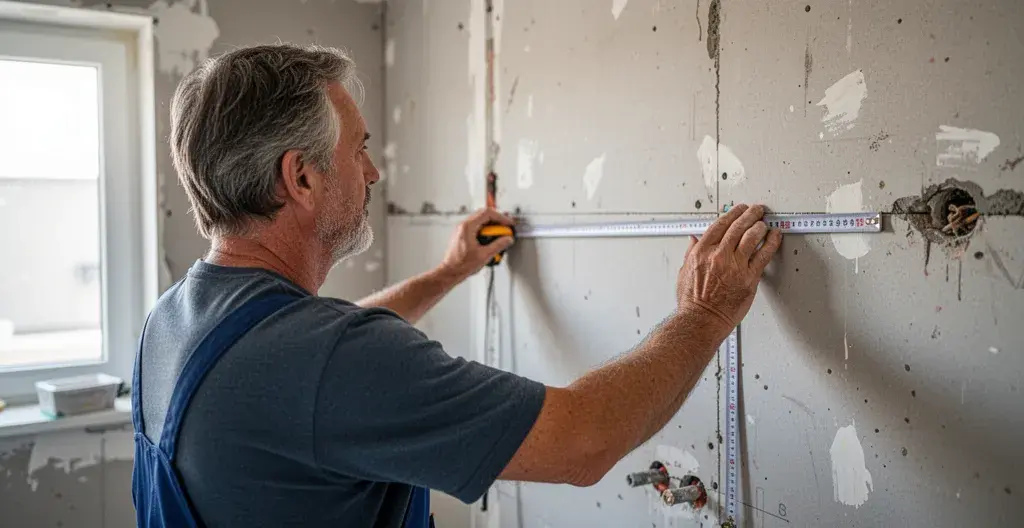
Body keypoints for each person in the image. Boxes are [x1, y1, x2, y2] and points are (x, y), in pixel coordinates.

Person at [131, 43, 782, 527]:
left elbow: (318, 366)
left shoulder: (175, 321)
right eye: (358, 149)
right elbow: (584, 442)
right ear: (301, 178)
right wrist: (705, 313)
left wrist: (450, 272)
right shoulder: (328, 361)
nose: (373, 173)